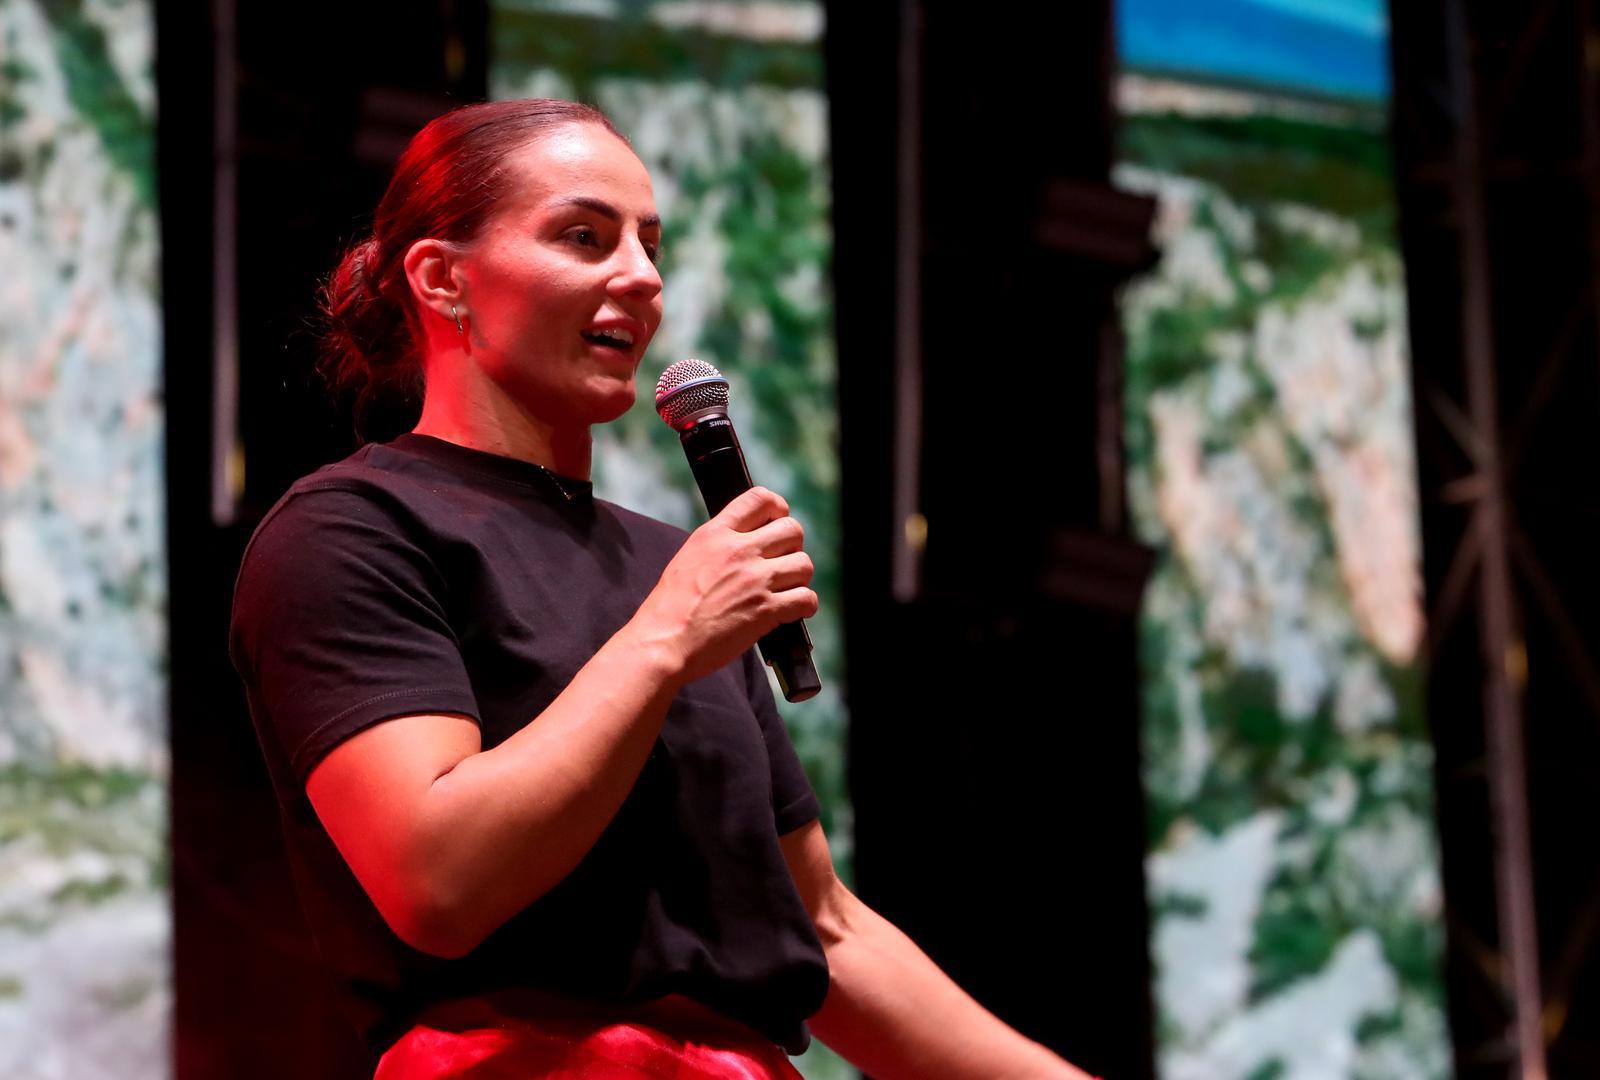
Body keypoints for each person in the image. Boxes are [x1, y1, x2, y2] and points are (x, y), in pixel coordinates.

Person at [229, 98, 1093, 1080]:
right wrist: (671, 633)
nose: (640, 278)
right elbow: (438, 879)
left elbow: (828, 930)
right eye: (584, 236)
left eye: (651, 245)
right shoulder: (355, 530)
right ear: (443, 280)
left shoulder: (671, 570)